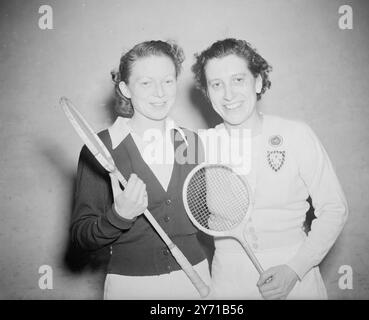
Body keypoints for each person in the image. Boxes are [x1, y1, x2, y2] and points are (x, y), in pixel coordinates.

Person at [192, 38, 349, 299]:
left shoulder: (297, 134)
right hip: (229, 282)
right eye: (216, 85)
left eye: (238, 80)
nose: (228, 94)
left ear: (258, 82)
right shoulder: (199, 145)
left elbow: (335, 209)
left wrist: (294, 270)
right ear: (207, 93)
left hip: (296, 277)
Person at [70, 40, 210, 299]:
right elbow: (82, 237)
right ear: (125, 88)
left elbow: (203, 216)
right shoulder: (101, 147)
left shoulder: (191, 142)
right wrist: (119, 216)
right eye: (146, 83)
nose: (160, 92)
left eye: (168, 81)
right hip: (132, 287)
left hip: (196, 280)